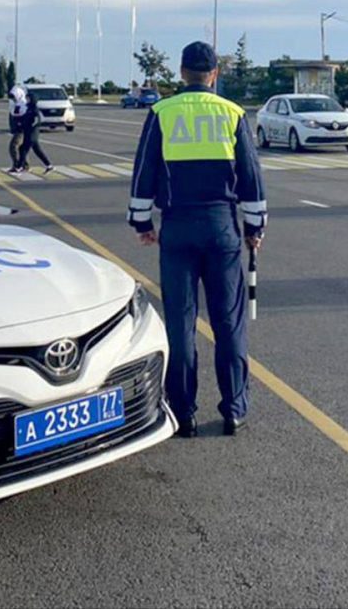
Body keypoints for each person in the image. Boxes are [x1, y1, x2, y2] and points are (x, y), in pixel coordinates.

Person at [127, 41, 266, 438]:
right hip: (221, 227)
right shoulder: (232, 113)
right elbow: (251, 177)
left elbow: (144, 170)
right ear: (214, 74)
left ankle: (183, 411)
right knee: (229, 323)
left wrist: (142, 222)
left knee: (181, 323)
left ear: (181, 72)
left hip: (177, 228)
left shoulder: (162, 112)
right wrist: (254, 228)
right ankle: (234, 408)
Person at [16, 90, 54, 174]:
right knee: (37, 151)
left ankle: (19, 167)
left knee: (23, 149)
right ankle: (49, 166)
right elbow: (26, 119)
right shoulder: (29, 108)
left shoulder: (34, 109)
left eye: (28, 98)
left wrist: (31, 126)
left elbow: (37, 120)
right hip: (28, 133)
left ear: (32, 99)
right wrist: (21, 123)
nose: (26, 100)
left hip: (32, 134)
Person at [6, 85, 28, 173]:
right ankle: (25, 165)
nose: (13, 98)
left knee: (13, 146)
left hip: (22, 130)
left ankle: (17, 165)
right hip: (17, 129)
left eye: (14, 96)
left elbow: (23, 116)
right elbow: (12, 115)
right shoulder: (14, 103)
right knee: (21, 148)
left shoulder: (23, 104)